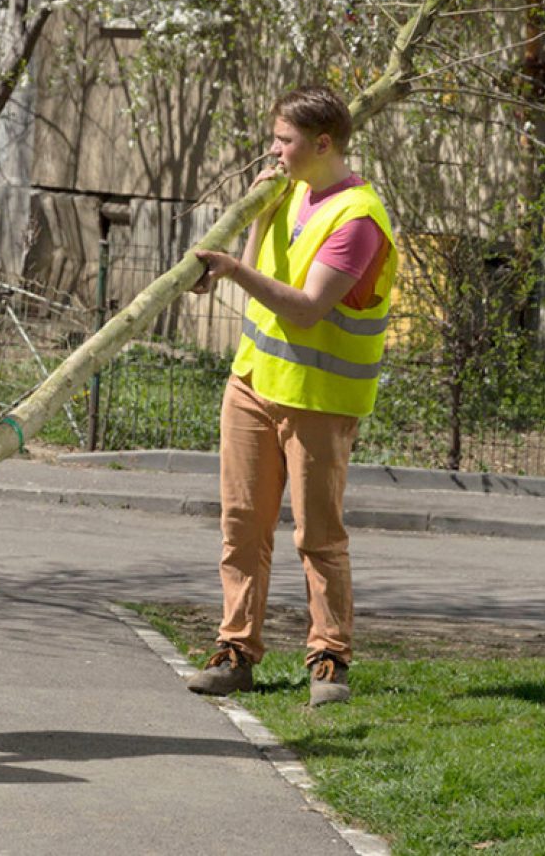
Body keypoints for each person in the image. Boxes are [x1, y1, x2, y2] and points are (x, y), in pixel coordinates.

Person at [186, 85, 398, 706]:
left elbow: (306, 310)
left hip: (319, 398)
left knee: (318, 535)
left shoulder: (357, 219)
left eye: (285, 141)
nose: (274, 151)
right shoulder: (289, 193)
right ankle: (236, 649)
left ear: (323, 142)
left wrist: (231, 268)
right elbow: (255, 283)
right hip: (253, 382)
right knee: (241, 525)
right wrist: (251, 221)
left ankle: (329, 658)